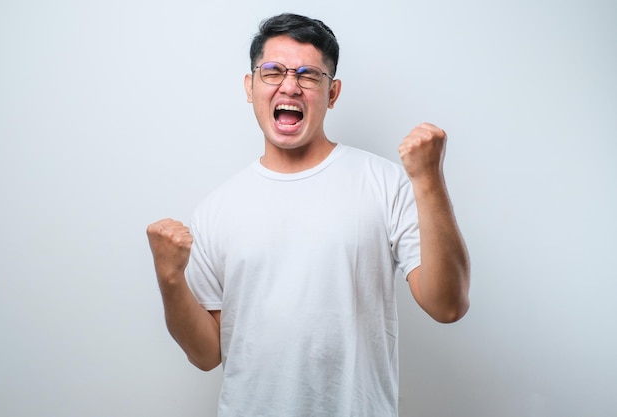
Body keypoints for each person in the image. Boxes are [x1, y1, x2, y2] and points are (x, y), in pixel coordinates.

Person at [147, 12, 470, 417]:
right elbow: (206, 353)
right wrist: (170, 279)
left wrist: (428, 180)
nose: (289, 86)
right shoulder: (218, 209)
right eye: (272, 71)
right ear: (250, 86)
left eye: (308, 75)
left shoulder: (383, 182)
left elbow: (448, 306)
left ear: (332, 93)